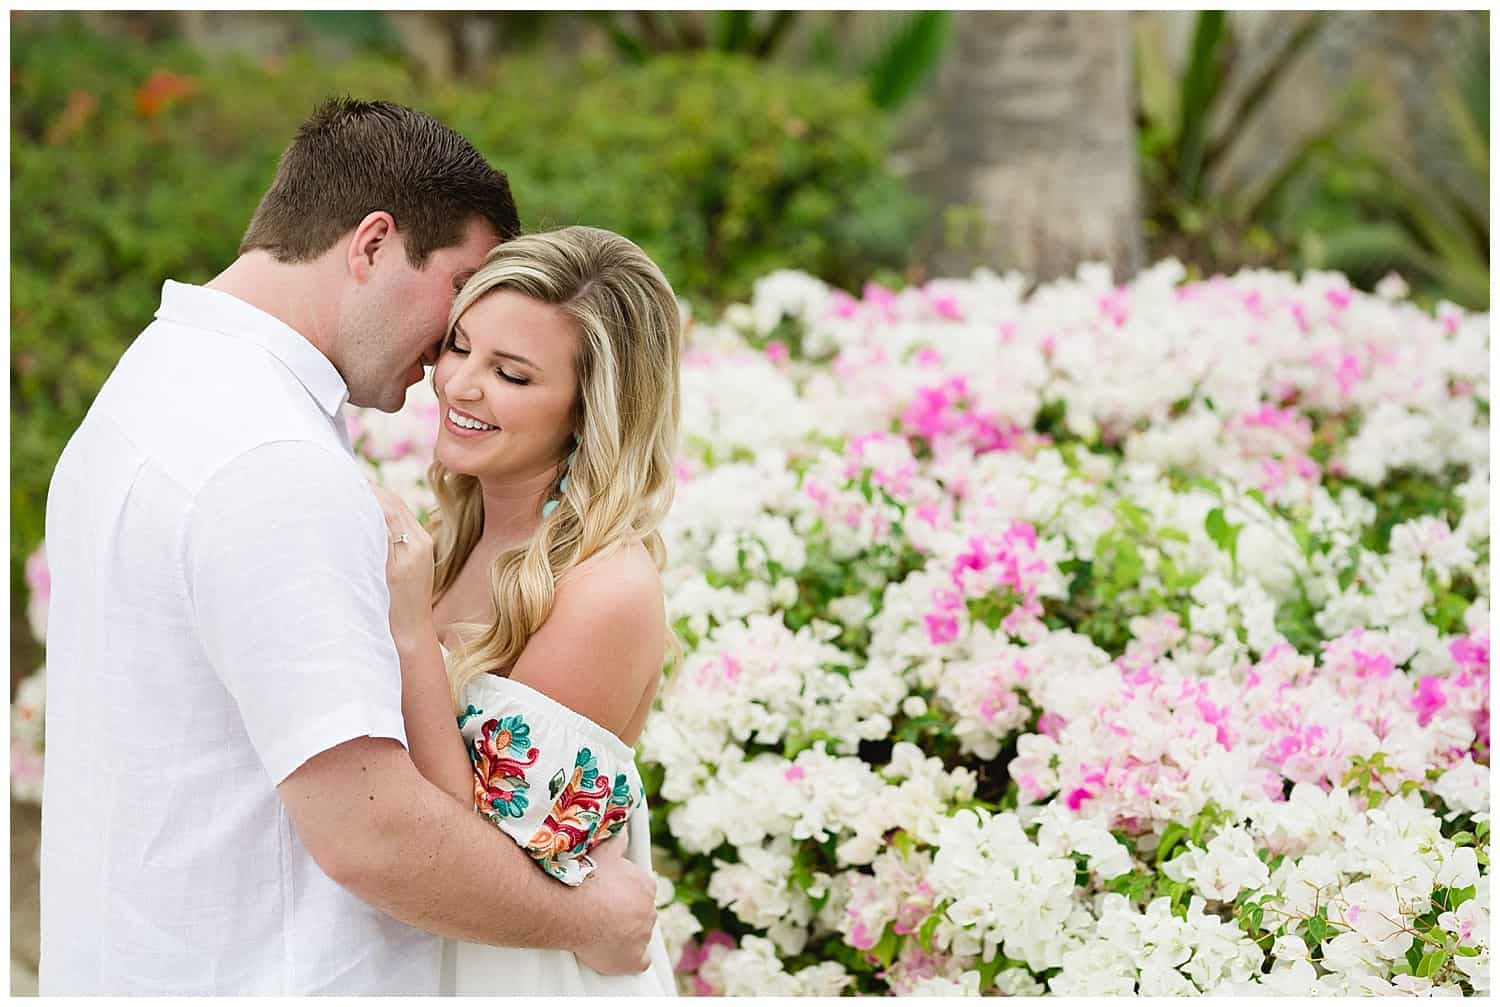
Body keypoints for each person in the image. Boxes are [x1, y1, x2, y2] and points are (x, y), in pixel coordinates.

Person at [38, 98, 659, 995]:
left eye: (510, 368)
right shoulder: (273, 461)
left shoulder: (157, 381)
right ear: (372, 244)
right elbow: (371, 830)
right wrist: (591, 918)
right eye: (458, 305)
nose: (448, 365)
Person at [373, 226, 684, 995]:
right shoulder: (454, 535)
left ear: (587, 410)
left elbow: (480, 849)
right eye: (459, 346)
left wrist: (409, 630)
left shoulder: (602, 589)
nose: (458, 385)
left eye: (510, 373)